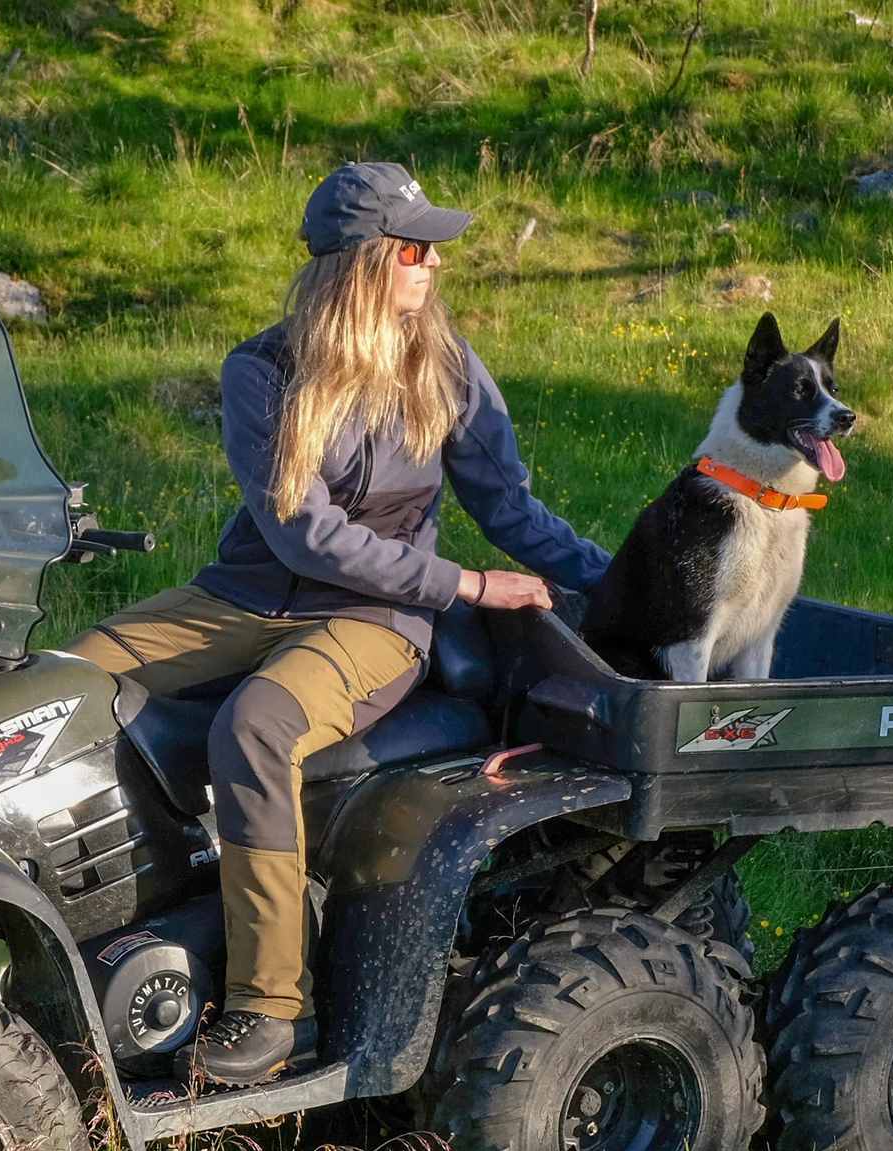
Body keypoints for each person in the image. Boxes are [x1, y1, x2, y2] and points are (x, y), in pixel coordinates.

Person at [65, 161, 611, 1088]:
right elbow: (302, 532)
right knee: (56, 684)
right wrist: (471, 583)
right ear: (362, 265)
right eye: (414, 247)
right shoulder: (263, 370)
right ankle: (107, 912)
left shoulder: (444, 365)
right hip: (245, 595)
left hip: (380, 617)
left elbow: (512, 511)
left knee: (257, 726)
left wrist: (617, 583)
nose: (434, 262)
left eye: (434, 247)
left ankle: (267, 1006)